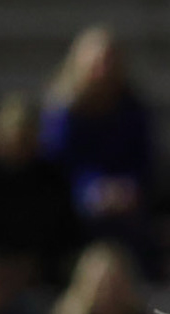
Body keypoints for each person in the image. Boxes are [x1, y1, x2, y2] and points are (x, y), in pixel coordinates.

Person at [40, 25, 156, 265]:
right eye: (98, 63)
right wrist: (91, 189)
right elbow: (55, 167)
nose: (104, 70)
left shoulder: (132, 109)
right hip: (76, 204)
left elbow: (143, 161)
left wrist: (127, 188)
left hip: (124, 204)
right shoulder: (63, 112)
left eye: (110, 62)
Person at [0, 92, 81, 290]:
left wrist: (35, 263)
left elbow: (66, 234)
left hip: (40, 277)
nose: (19, 145)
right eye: (14, 137)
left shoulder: (51, 179)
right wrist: (0, 264)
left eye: (26, 137)